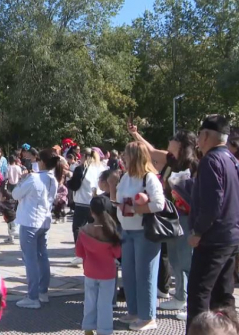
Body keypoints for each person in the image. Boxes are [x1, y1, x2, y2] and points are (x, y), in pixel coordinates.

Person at [129, 124, 199, 312]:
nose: (169, 141)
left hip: (186, 216)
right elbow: (150, 151)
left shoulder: (194, 164)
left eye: (173, 139)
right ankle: (180, 297)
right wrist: (135, 134)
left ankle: (192, 301)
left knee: (186, 260)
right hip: (170, 216)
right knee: (175, 258)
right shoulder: (170, 159)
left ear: (182, 144)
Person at [186, 115, 239, 333]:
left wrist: (198, 232)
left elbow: (213, 202)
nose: (198, 140)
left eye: (199, 134)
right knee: (224, 295)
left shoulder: (211, 160)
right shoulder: (233, 161)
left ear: (207, 135)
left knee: (200, 294)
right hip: (231, 236)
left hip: (213, 238)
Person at [108, 141, 165, 331]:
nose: (124, 156)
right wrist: (112, 188)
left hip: (144, 232)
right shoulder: (126, 177)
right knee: (129, 274)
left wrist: (136, 208)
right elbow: (117, 201)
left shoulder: (149, 178)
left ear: (136, 156)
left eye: (127, 153)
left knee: (145, 275)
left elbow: (159, 204)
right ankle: (134, 311)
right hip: (126, 230)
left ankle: (148, 316)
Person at [12, 149, 62, 309]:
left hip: (30, 221)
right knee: (42, 256)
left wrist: (22, 180)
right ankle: (42, 292)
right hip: (43, 221)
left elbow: (15, 194)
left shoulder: (34, 178)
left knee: (30, 259)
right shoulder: (53, 179)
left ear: (41, 161)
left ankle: (32, 296)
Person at [76, 196, 122, 335]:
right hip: (107, 273)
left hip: (90, 271)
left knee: (89, 301)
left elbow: (79, 252)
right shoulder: (111, 231)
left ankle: (88, 327)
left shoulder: (84, 230)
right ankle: (105, 330)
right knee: (105, 304)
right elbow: (117, 253)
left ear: (91, 211)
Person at [68, 147, 107, 266]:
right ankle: (95, 253)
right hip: (98, 202)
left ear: (84, 156)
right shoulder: (101, 168)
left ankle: (80, 253)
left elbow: (74, 185)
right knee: (95, 228)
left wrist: (69, 179)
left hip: (83, 202)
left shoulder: (81, 168)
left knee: (78, 228)